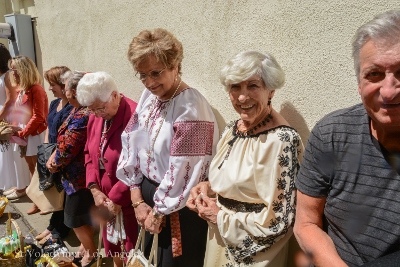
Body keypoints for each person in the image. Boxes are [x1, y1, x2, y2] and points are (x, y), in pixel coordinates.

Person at [294, 10, 400, 267]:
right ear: (359, 84)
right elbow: (306, 222)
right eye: (373, 74)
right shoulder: (332, 133)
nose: (388, 91)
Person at [187, 50, 304, 267]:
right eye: (235, 87)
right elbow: (239, 182)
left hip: (255, 256)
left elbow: (281, 220)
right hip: (218, 240)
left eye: (253, 86)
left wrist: (219, 218)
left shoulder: (281, 141)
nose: (242, 97)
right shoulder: (233, 130)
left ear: (271, 90)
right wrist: (208, 188)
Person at [116, 28, 219, 266]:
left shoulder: (191, 107)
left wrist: (157, 211)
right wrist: (136, 197)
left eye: (155, 73)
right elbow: (133, 139)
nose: (149, 82)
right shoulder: (149, 97)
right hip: (148, 196)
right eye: (142, 75)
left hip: (176, 207)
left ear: (175, 66)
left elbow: (187, 170)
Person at [77, 71, 138, 267]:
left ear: (114, 95)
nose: (96, 114)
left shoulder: (134, 116)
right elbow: (88, 152)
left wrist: (117, 198)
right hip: (104, 199)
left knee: (132, 253)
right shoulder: (96, 115)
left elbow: (139, 164)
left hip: (127, 201)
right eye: (91, 110)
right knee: (113, 249)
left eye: (99, 109)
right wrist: (94, 188)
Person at [46, 71, 97, 267]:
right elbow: (62, 139)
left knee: (73, 219)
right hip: (74, 176)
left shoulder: (83, 113)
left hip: (79, 177)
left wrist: (54, 161)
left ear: (74, 92)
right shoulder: (77, 109)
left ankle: (91, 253)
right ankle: (86, 247)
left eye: (65, 87)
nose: (63, 90)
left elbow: (69, 147)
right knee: (82, 216)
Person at [34, 66, 73, 244]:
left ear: (64, 84)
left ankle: (60, 230)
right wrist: (44, 149)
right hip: (51, 153)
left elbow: (68, 136)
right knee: (55, 193)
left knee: (62, 195)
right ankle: (52, 226)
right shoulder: (54, 103)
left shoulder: (73, 106)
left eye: (52, 84)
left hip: (63, 156)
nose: (49, 88)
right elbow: (49, 126)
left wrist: (56, 154)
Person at [7, 56, 48, 213]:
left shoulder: (36, 89)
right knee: (32, 168)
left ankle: (43, 202)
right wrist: (14, 128)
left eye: (15, 69)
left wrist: (23, 132)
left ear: (24, 69)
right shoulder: (22, 89)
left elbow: (39, 116)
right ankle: (36, 201)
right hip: (24, 134)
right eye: (11, 69)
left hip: (34, 133)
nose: (13, 73)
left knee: (39, 169)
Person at [0, 45, 30, 194]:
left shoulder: (6, 75)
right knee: (8, 155)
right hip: (3, 114)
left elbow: (10, 99)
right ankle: (16, 184)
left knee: (14, 154)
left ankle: (22, 186)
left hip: (8, 115)